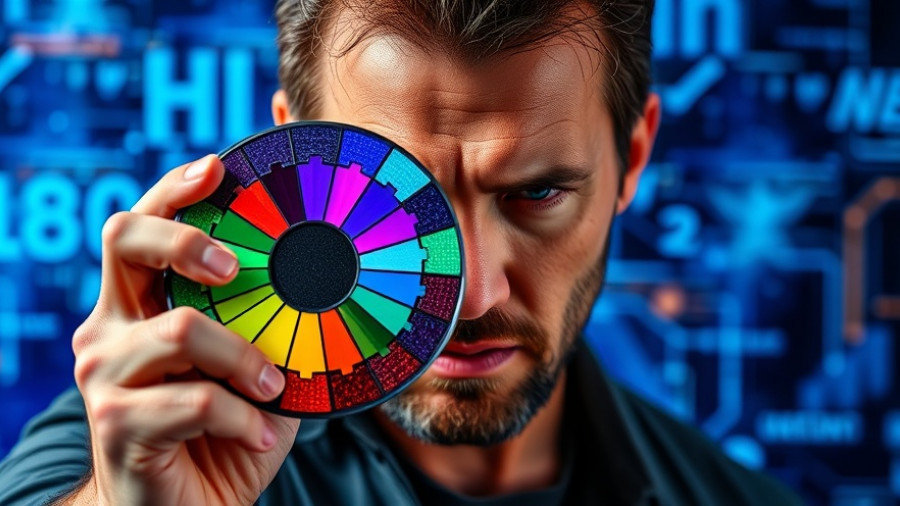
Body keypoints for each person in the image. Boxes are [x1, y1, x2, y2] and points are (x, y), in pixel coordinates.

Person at [0, 0, 803, 504]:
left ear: (631, 159)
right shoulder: (145, 442)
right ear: (294, 155)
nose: (474, 293)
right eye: (399, 205)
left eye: (537, 193)